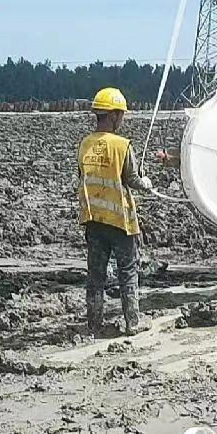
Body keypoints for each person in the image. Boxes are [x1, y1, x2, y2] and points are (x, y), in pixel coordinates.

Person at [78, 86, 153, 335]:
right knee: (128, 272)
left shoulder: (84, 145)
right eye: (120, 114)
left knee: (95, 276)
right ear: (112, 115)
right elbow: (132, 179)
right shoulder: (122, 145)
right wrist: (147, 184)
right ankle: (133, 323)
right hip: (120, 221)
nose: (122, 119)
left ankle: (94, 324)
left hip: (93, 220)